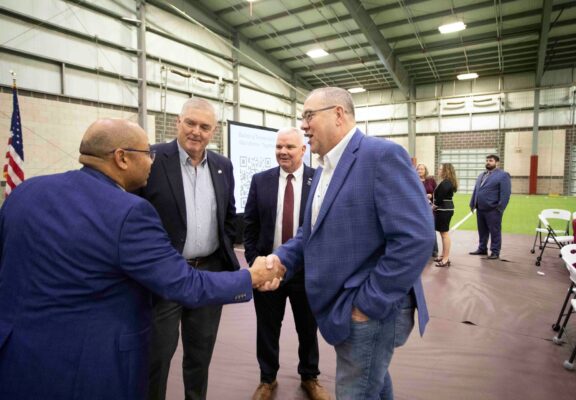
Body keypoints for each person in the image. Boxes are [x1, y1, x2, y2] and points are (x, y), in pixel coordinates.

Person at [0, 119, 284, 400]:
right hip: (86, 368)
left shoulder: (25, 192)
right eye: (147, 153)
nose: (152, 161)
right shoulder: (130, 212)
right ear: (122, 158)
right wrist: (252, 276)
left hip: (16, 358)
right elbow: (185, 285)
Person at [266, 87, 434, 399]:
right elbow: (309, 232)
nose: (303, 125)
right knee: (375, 383)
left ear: (339, 115)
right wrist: (281, 259)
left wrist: (367, 304)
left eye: (309, 116)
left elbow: (416, 238)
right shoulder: (324, 169)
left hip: (369, 311)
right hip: (345, 308)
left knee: (356, 391)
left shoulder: (381, 156)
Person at [139, 98, 239, 400]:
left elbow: (229, 215)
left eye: (204, 127)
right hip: (165, 277)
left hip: (208, 274)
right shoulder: (152, 158)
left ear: (214, 131)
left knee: (200, 355)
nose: (196, 131)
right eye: (190, 123)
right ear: (177, 122)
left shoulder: (223, 166)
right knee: (156, 357)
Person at [244, 127, 329, 400]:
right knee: (267, 328)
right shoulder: (261, 181)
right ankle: (267, 380)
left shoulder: (319, 181)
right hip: (268, 272)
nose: (283, 151)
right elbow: (250, 226)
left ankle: (310, 377)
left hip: (307, 272)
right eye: (279, 146)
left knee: (308, 327)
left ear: (303, 150)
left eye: (289, 147)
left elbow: (323, 226)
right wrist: (255, 263)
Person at [468, 154, 511, 260]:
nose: (488, 162)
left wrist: (499, 208)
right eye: (487, 160)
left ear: (497, 163)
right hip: (480, 208)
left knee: (495, 231)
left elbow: (505, 193)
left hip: (493, 209)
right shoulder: (481, 175)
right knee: (482, 230)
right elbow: (476, 190)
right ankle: (482, 249)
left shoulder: (503, 175)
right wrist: (473, 203)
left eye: (490, 160)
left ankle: (495, 251)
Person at [432, 163, 458, 267]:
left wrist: (433, 206)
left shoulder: (446, 183)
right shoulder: (445, 182)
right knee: (443, 233)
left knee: (444, 234)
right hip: (443, 209)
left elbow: (440, 198)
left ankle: (446, 258)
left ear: (446, 170)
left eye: (440, 169)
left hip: (444, 209)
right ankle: (443, 255)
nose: (438, 170)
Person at [416, 163, 438, 257]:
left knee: (431, 229)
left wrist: (431, 195)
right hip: (417, 208)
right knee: (418, 230)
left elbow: (437, 192)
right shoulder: (413, 180)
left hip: (429, 208)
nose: (420, 171)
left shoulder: (431, 180)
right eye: (418, 169)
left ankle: (434, 250)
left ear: (425, 170)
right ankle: (420, 250)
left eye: (422, 169)